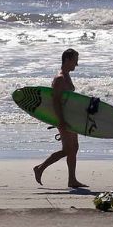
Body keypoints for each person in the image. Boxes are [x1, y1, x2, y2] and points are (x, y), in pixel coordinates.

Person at [33, 48, 88, 189]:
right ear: (67, 60)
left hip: (70, 118)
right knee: (68, 149)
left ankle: (72, 180)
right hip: (63, 119)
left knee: (73, 148)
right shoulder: (60, 79)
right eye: (75, 61)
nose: (77, 64)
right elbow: (55, 102)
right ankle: (40, 168)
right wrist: (61, 121)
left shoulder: (67, 76)